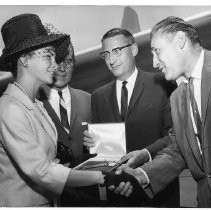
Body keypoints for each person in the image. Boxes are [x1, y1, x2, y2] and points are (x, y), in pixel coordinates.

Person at [0, 13, 104, 207]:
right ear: (25, 60)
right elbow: (40, 170)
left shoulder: (36, 105)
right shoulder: (10, 109)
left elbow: (51, 163)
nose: (56, 65)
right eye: (48, 56)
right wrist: (98, 177)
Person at [109, 16, 211, 208]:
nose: (155, 63)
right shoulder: (177, 97)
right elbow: (179, 148)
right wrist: (141, 174)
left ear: (180, 41)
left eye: (157, 51)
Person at [84, 28, 179, 207]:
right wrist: (90, 144)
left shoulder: (162, 84)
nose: (111, 61)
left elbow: (174, 137)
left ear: (134, 49)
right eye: (105, 55)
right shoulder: (97, 96)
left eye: (117, 51)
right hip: (119, 191)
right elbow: (102, 153)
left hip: (159, 190)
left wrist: (146, 154)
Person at [38, 30, 99, 207]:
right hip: (49, 198)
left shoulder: (90, 100)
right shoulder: (31, 105)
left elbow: (104, 151)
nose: (63, 67)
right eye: (58, 61)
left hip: (89, 197)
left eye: (69, 61)